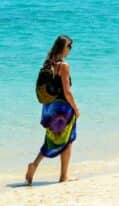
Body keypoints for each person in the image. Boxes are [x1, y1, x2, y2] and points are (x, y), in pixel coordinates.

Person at [25, 35, 80, 185]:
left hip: (49, 109)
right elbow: (67, 92)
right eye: (69, 46)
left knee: (51, 139)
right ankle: (63, 176)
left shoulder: (48, 63)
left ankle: (34, 165)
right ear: (63, 47)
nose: (70, 49)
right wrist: (76, 108)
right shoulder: (64, 66)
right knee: (67, 140)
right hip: (63, 109)